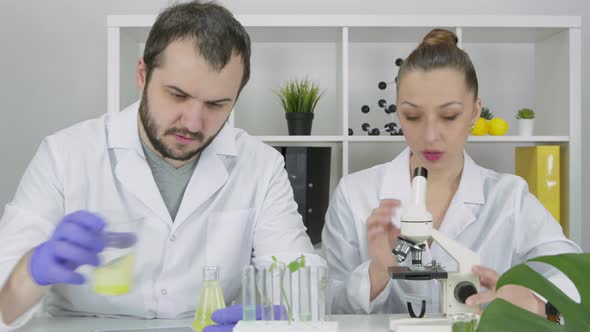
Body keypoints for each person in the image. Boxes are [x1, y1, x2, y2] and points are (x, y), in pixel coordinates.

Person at [0, 1, 319, 330]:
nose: (193, 123)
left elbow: (297, 278)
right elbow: (3, 302)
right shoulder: (65, 155)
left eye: (216, 104)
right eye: (177, 95)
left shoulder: (261, 166)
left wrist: (278, 319)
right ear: (143, 75)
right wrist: (29, 272)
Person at [321, 29, 581, 316]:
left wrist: (534, 303)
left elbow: (575, 284)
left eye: (449, 116)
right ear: (398, 112)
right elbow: (324, 306)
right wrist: (378, 271)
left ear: (474, 111)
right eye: (413, 116)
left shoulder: (510, 198)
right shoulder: (355, 194)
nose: (430, 136)